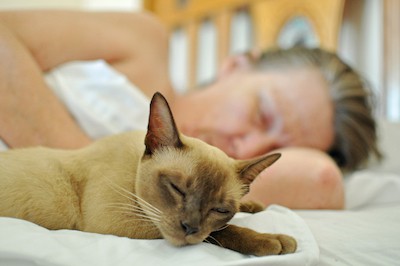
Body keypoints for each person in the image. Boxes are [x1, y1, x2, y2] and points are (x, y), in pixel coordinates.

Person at [0, 10, 381, 209]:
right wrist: (81, 164)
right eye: (262, 115)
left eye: (281, 147)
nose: (249, 147)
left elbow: (322, 180)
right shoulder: (143, 43)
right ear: (235, 65)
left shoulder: (201, 187)